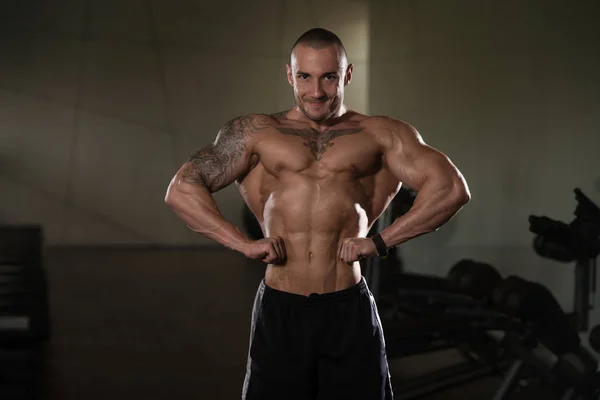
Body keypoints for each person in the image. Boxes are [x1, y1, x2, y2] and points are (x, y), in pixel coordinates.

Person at [164, 28, 470, 400]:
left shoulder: (381, 134)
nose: (316, 91)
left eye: (329, 76)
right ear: (290, 74)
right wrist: (241, 244)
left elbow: (452, 189)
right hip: (281, 306)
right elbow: (182, 188)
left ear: (347, 74)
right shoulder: (256, 133)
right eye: (305, 77)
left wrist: (380, 242)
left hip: (348, 307)